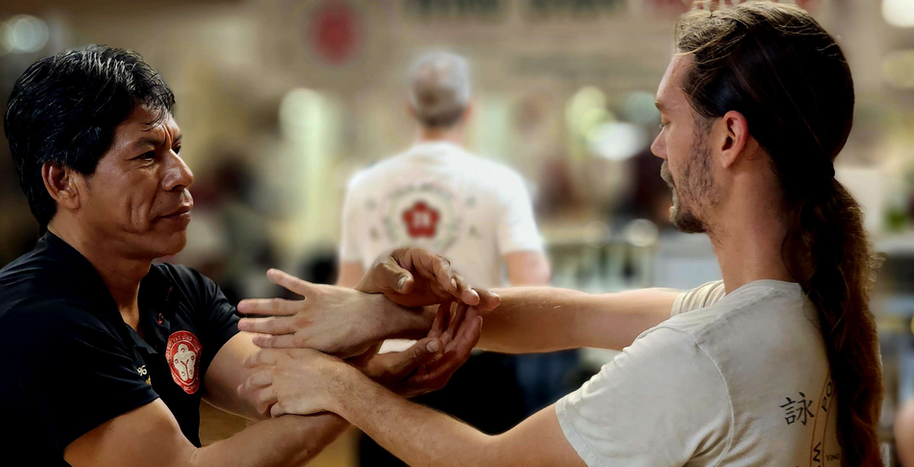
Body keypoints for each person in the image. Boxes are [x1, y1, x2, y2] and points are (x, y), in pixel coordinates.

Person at [237, 3, 884, 465]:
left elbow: (489, 462)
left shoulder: (702, 356)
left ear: (728, 136)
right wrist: (378, 315)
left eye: (668, 118)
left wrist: (339, 386)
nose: (658, 145)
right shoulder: (781, 308)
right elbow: (569, 314)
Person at [0, 45, 488, 467]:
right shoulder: (35, 322)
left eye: (175, 149)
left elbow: (277, 393)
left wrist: (378, 309)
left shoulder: (175, 290)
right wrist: (377, 381)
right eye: (148, 155)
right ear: (63, 181)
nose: (183, 175)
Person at [337, 51, 549, 291]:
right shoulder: (502, 183)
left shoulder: (364, 185)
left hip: (385, 330)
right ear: (470, 109)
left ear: (411, 108)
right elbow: (532, 279)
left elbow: (348, 289)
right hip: (475, 329)